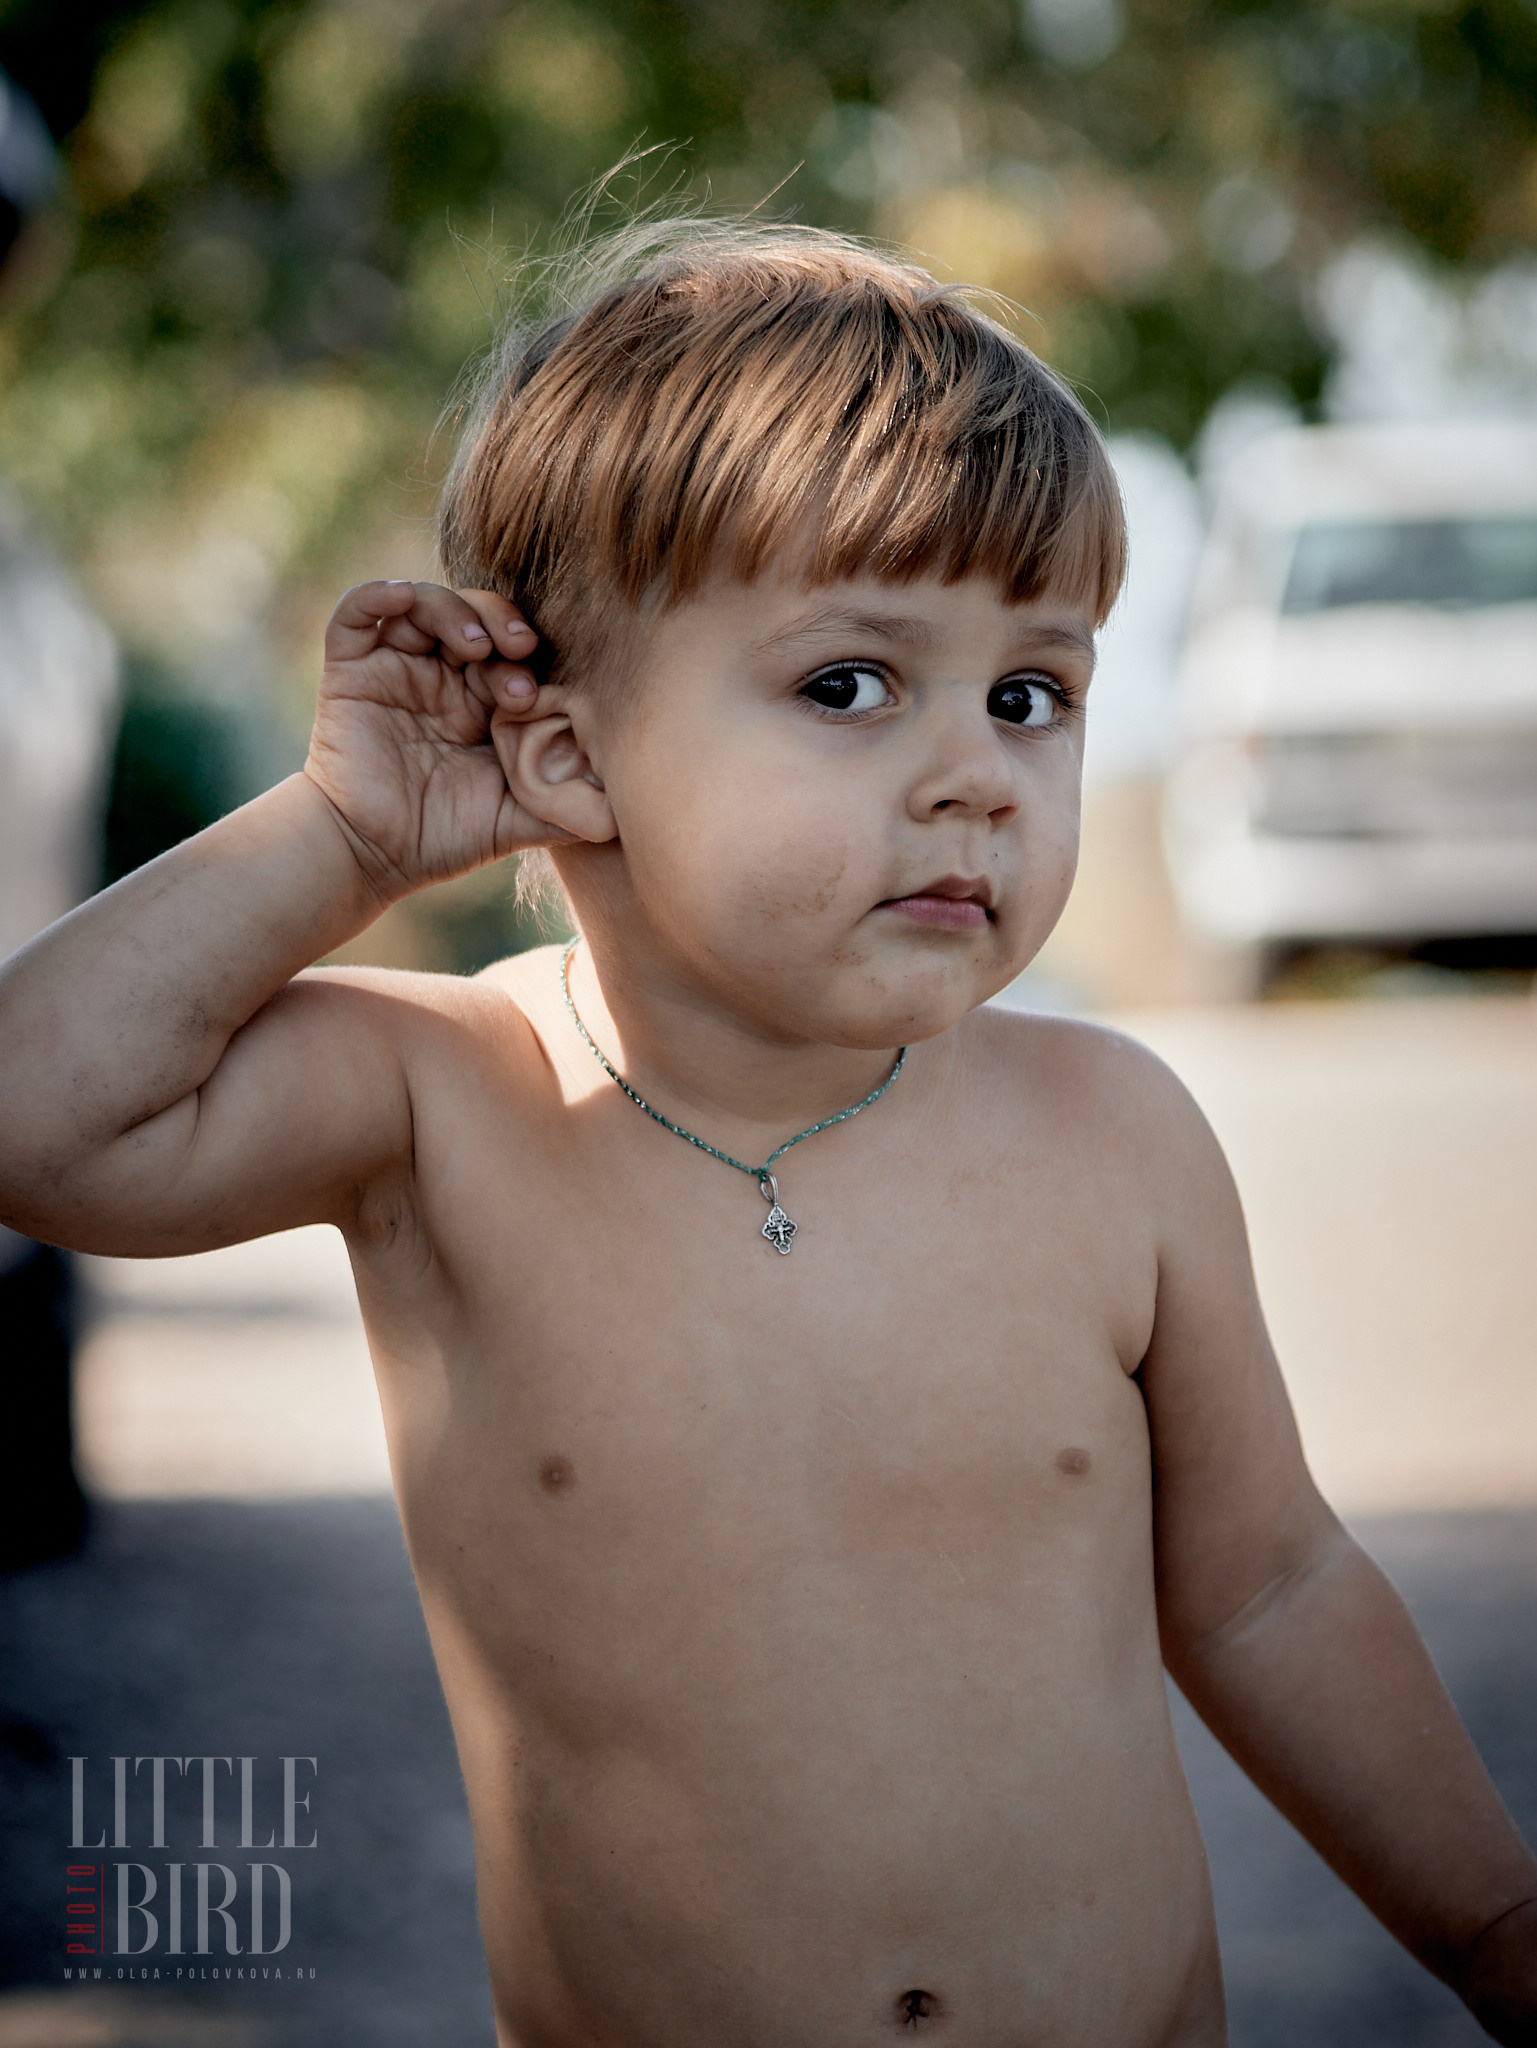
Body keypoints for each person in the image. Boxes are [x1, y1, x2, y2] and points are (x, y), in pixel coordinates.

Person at [1, 220, 1534, 2045]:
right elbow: (38, 1120)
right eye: (849, 684)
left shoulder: (1112, 1135)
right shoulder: (441, 1104)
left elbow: (1271, 1588)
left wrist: (1495, 1929)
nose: (976, 774)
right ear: (566, 756)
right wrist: (341, 835)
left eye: (1030, 695)